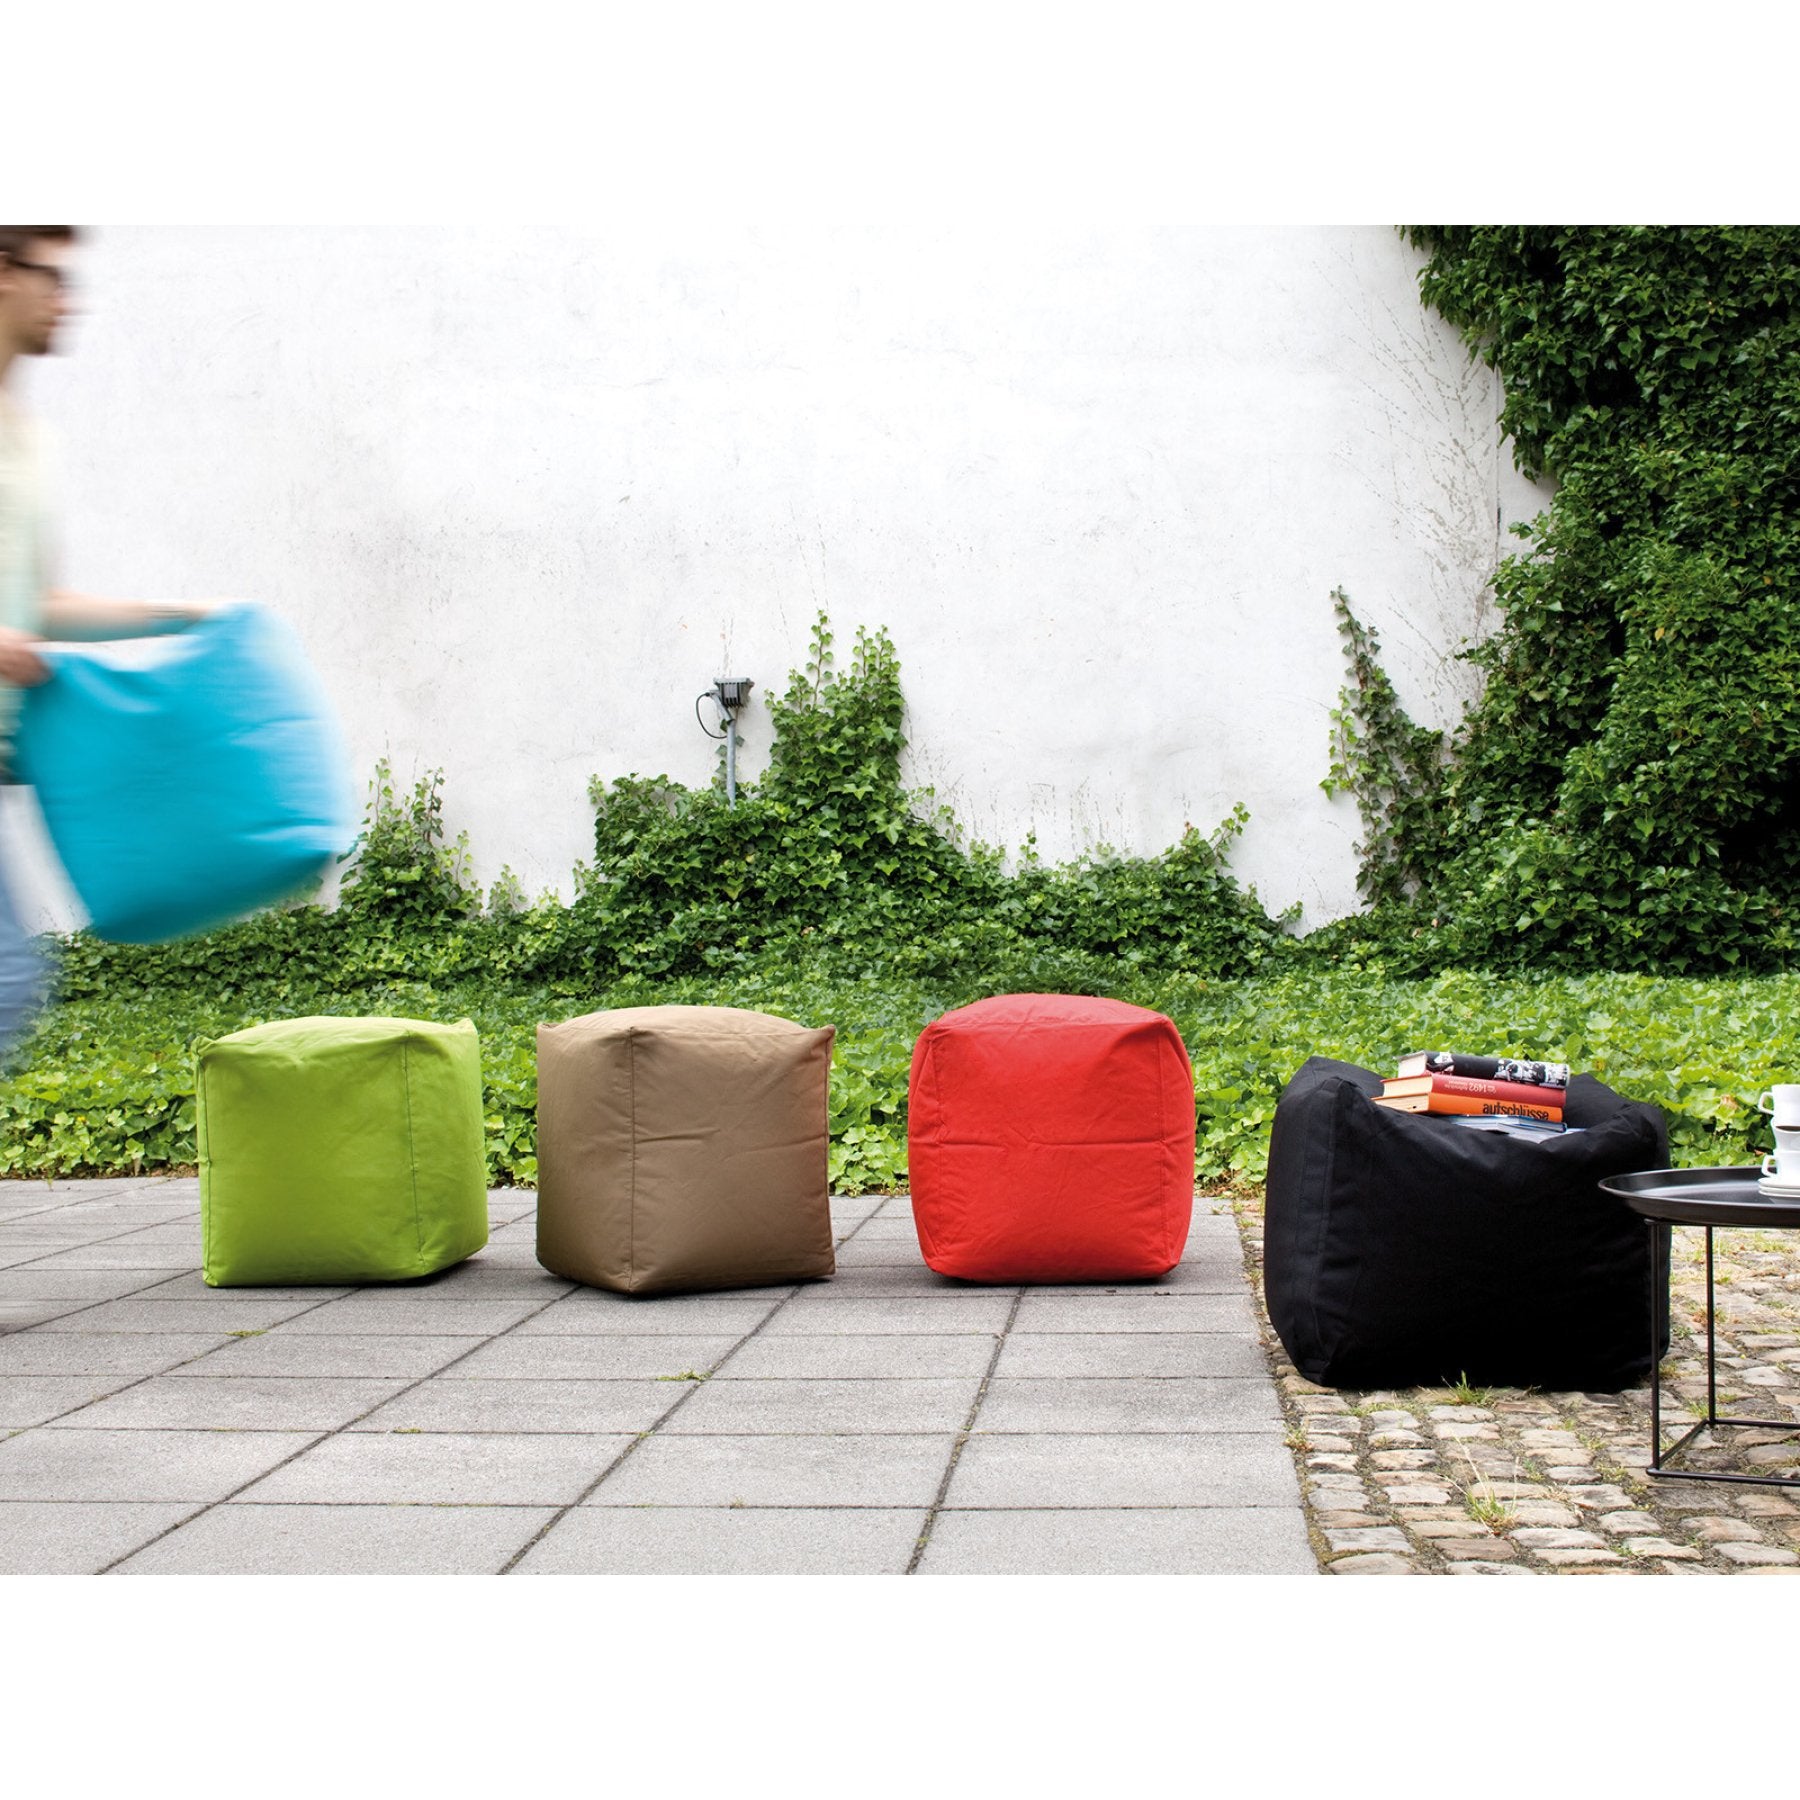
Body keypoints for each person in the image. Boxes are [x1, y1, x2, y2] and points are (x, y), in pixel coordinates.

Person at [0, 226, 222, 1058]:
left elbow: (40, 602)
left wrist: (180, 615)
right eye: (53, 277)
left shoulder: (27, 441)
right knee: (6, 981)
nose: (70, 300)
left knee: (9, 983)